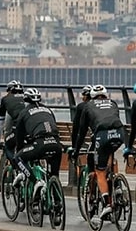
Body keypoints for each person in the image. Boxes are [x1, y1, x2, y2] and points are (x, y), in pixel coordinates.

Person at [72, 84, 125, 220]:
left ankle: (108, 204)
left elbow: (82, 131)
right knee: (110, 155)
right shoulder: (112, 103)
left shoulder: (88, 106)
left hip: (101, 135)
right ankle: (116, 184)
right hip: (119, 133)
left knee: (99, 170)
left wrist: (76, 150)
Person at [11, 88, 62, 193]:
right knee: (54, 174)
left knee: (18, 158)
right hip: (56, 144)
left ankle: (35, 181)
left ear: (25, 101)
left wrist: (20, 148)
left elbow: (19, 136)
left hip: (40, 144)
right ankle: (57, 199)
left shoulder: (24, 112)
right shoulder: (48, 110)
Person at [0, 80, 26, 162]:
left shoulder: (7, 101)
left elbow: (3, 126)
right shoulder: (27, 99)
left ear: (10, 91)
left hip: (19, 133)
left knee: (8, 145)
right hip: (33, 132)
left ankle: (15, 163)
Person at [69, 85, 94, 171]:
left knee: (90, 158)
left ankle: (92, 179)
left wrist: (74, 147)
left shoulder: (81, 107)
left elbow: (76, 128)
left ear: (86, 96)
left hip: (92, 139)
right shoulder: (98, 106)